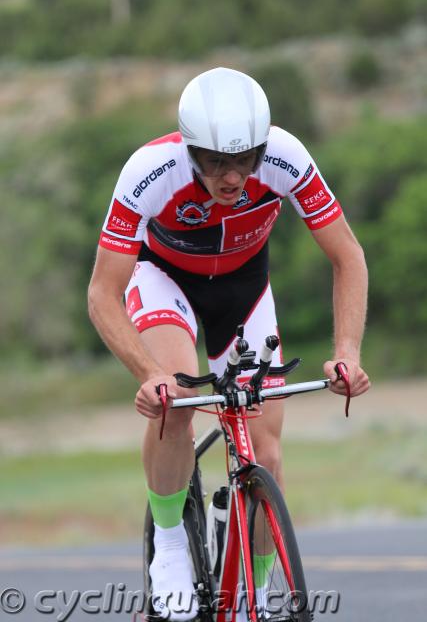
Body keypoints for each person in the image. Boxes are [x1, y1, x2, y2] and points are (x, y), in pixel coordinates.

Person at [88, 67, 369, 620]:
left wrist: (348, 352)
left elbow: (348, 257)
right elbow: (102, 294)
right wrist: (147, 374)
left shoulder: (288, 156)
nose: (233, 176)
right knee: (177, 396)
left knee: (266, 452)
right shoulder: (150, 170)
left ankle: (253, 594)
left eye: (245, 160)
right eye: (215, 161)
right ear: (190, 150)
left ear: (264, 145)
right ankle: (169, 545)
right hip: (164, 276)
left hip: (243, 288)